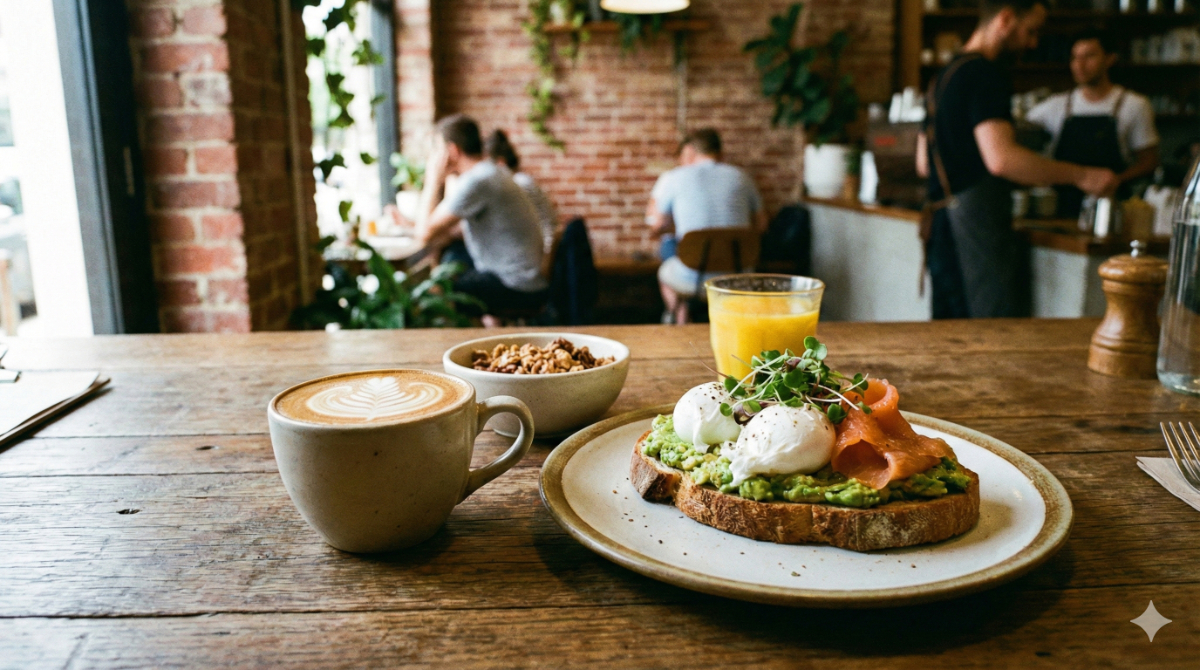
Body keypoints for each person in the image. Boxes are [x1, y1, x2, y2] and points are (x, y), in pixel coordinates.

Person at [915, 0, 1120, 320]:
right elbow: (1001, 159)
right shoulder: (985, 73)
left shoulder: (942, 76)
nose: (1033, 42)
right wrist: (1082, 175)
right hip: (976, 228)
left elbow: (923, 163)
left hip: (941, 228)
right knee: (991, 334)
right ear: (1006, 19)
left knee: (949, 334)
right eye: (1030, 31)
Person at [415, 114, 548, 316]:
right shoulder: (490, 172)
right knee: (453, 255)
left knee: (432, 292)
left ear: (452, 151)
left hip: (516, 286)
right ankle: (487, 324)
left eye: (436, 149)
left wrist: (432, 179)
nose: (433, 157)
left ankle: (465, 332)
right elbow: (449, 229)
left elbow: (423, 234)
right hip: (526, 277)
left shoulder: (477, 181)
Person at [1025, 29, 1160, 218]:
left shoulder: (1134, 105)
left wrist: (1114, 180)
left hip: (1112, 207)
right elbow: (1018, 134)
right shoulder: (1055, 106)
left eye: (1089, 56)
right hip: (1061, 209)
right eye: (1075, 57)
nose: (1079, 65)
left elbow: (1149, 161)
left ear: (1110, 59)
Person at [647, 128, 766, 325]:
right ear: (720, 151)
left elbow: (656, 224)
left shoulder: (674, 177)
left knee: (665, 269)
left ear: (691, 151)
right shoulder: (743, 177)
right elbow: (761, 225)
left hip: (692, 279)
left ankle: (682, 318)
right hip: (738, 275)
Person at [484, 130, 558, 254]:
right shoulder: (520, 180)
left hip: (544, 253)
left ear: (501, 164)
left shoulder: (520, 184)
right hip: (541, 249)